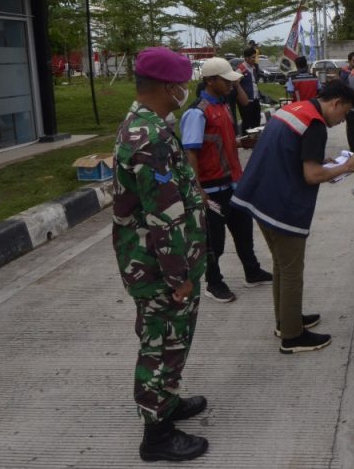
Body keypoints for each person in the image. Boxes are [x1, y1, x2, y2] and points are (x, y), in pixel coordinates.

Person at [111, 46, 209, 462]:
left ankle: (167, 401)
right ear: (169, 87)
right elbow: (162, 218)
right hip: (158, 268)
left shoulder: (150, 125)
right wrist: (179, 277)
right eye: (182, 84)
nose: (185, 89)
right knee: (159, 344)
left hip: (165, 264)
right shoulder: (148, 137)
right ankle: (157, 435)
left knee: (173, 340)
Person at [231, 80, 354, 354]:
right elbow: (311, 175)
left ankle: (285, 320)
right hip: (282, 205)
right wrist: (346, 167)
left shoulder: (295, 108)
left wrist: (324, 163)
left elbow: (295, 155)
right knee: (291, 271)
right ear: (336, 103)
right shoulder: (315, 124)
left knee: (280, 264)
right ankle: (292, 336)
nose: (342, 120)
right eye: (345, 113)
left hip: (260, 197)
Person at [180, 58, 273, 304]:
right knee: (215, 242)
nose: (231, 84)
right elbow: (191, 152)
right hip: (211, 189)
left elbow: (220, 143)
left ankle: (252, 271)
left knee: (244, 232)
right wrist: (197, 189)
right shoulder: (197, 113)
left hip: (233, 182)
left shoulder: (222, 106)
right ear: (210, 81)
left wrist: (242, 142)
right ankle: (214, 282)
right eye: (226, 80)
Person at [235, 45, 262, 134]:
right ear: (246, 58)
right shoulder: (240, 69)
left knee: (256, 121)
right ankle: (246, 141)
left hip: (255, 99)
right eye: (252, 57)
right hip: (246, 101)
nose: (254, 59)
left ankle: (255, 140)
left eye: (255, 57)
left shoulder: (254, 68)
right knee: (247, 123)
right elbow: (236, 83)